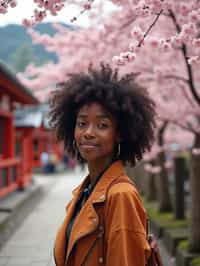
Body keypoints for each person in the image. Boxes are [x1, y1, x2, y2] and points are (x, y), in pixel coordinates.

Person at [50, 63, 156, 266]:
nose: (88, 132)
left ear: (120, 133)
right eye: (82, 123)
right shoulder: (85, 190)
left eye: (102, 125)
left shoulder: (120, 195)